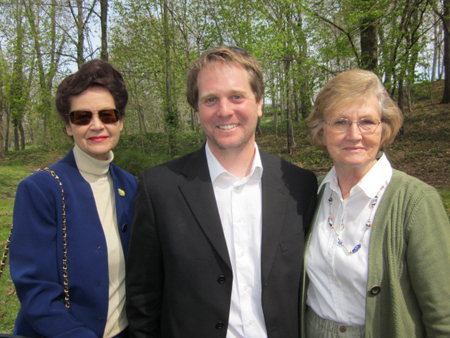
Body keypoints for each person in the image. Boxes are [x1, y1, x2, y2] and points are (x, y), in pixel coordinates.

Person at [126, 46, 318, 338]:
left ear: (259, 103)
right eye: (210, 99)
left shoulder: (299, 185)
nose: (224, 110)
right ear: (197, 109)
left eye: (237, 96)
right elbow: (143, 297)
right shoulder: (159, 188)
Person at [301, 69, 450, 338]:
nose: (354, 134)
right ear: (322, 131)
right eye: (341, 122)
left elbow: (443, 314)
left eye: (367, 121)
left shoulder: (415, 202)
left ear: (384, 129)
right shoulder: (313, 193)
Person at [9, 60, 137, 338]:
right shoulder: (41, 189)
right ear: (69, 126)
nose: (96, 125)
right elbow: (36, 289)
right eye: (82, 117)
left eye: (107, 115)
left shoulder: (132, 186)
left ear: (120, 121)